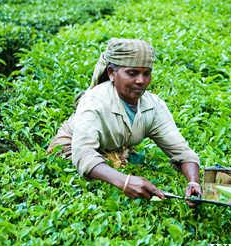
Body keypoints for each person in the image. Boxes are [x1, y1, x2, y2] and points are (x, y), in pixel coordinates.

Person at [47, 38, 201, 207]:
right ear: (112, 73)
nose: (141, 81)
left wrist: (193, 182)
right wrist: (125, 182)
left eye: (146, 73)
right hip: (69, 149)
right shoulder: (94, 102)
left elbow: (182, 152)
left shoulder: (153, 106)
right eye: (132, 73)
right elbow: (84, 155)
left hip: (114, 148)